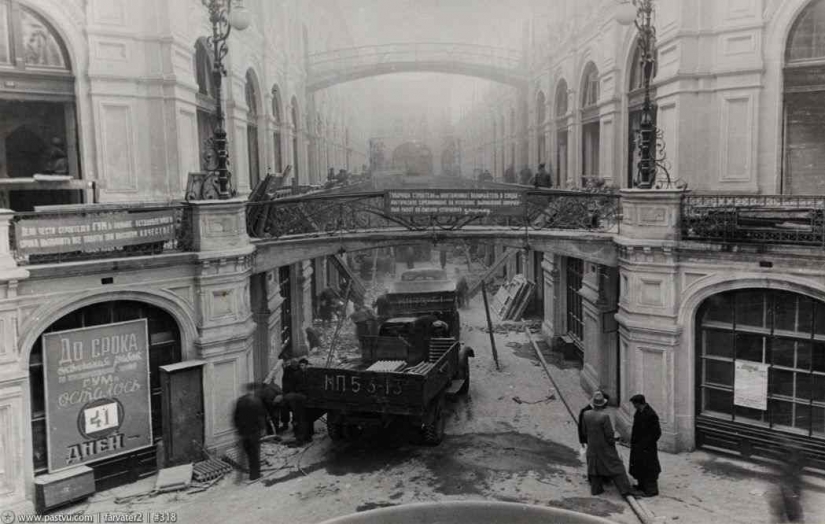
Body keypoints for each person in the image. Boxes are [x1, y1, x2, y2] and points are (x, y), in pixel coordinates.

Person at [582, 391, 635, 497]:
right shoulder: (604, 417)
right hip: (605, 447)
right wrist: (613, 443)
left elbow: (584, 431)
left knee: (594, 466)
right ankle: (625, 490)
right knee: (617, 466)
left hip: (592, 445)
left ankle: (596, 489)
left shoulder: (586, 414)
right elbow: (609, 434)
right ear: (603, 404)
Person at [629, 394, 661, 497]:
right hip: (638, 446)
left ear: (639, 403)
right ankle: (641, 486)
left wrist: (646, 444)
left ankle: (651, 491)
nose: (634, 406)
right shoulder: (639, 412)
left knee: (649, 469)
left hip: (647, 448)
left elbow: (657, 433)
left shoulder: (651, 415)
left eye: (634, 404)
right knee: (639, 467)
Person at [233, 383, 267, 481]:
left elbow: (235, 416)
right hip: (254, 432)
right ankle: (255, 475)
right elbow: (260, 417)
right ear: (253, 390)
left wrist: (238, 429)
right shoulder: (256, 401)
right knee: (254, 454)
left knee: (244, 453)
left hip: (243, 432)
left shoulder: (240, 401)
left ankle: (239, 477)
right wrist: (263, 428)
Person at [770, 439, 805, 523]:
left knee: (790, 517)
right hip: (787, 496)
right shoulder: (789, 466)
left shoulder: (791, 466)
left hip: (789, 496)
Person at [282, 358, 312, 444]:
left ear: (306, 366)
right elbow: (292, 385)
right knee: (298, 419)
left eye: (303, 365)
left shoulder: (309, 374)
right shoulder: (296, 374)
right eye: (300, 365)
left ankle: (305, 437)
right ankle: (300, 436)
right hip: (299, 398)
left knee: (303, 420)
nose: (301, 367)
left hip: (303, 397)